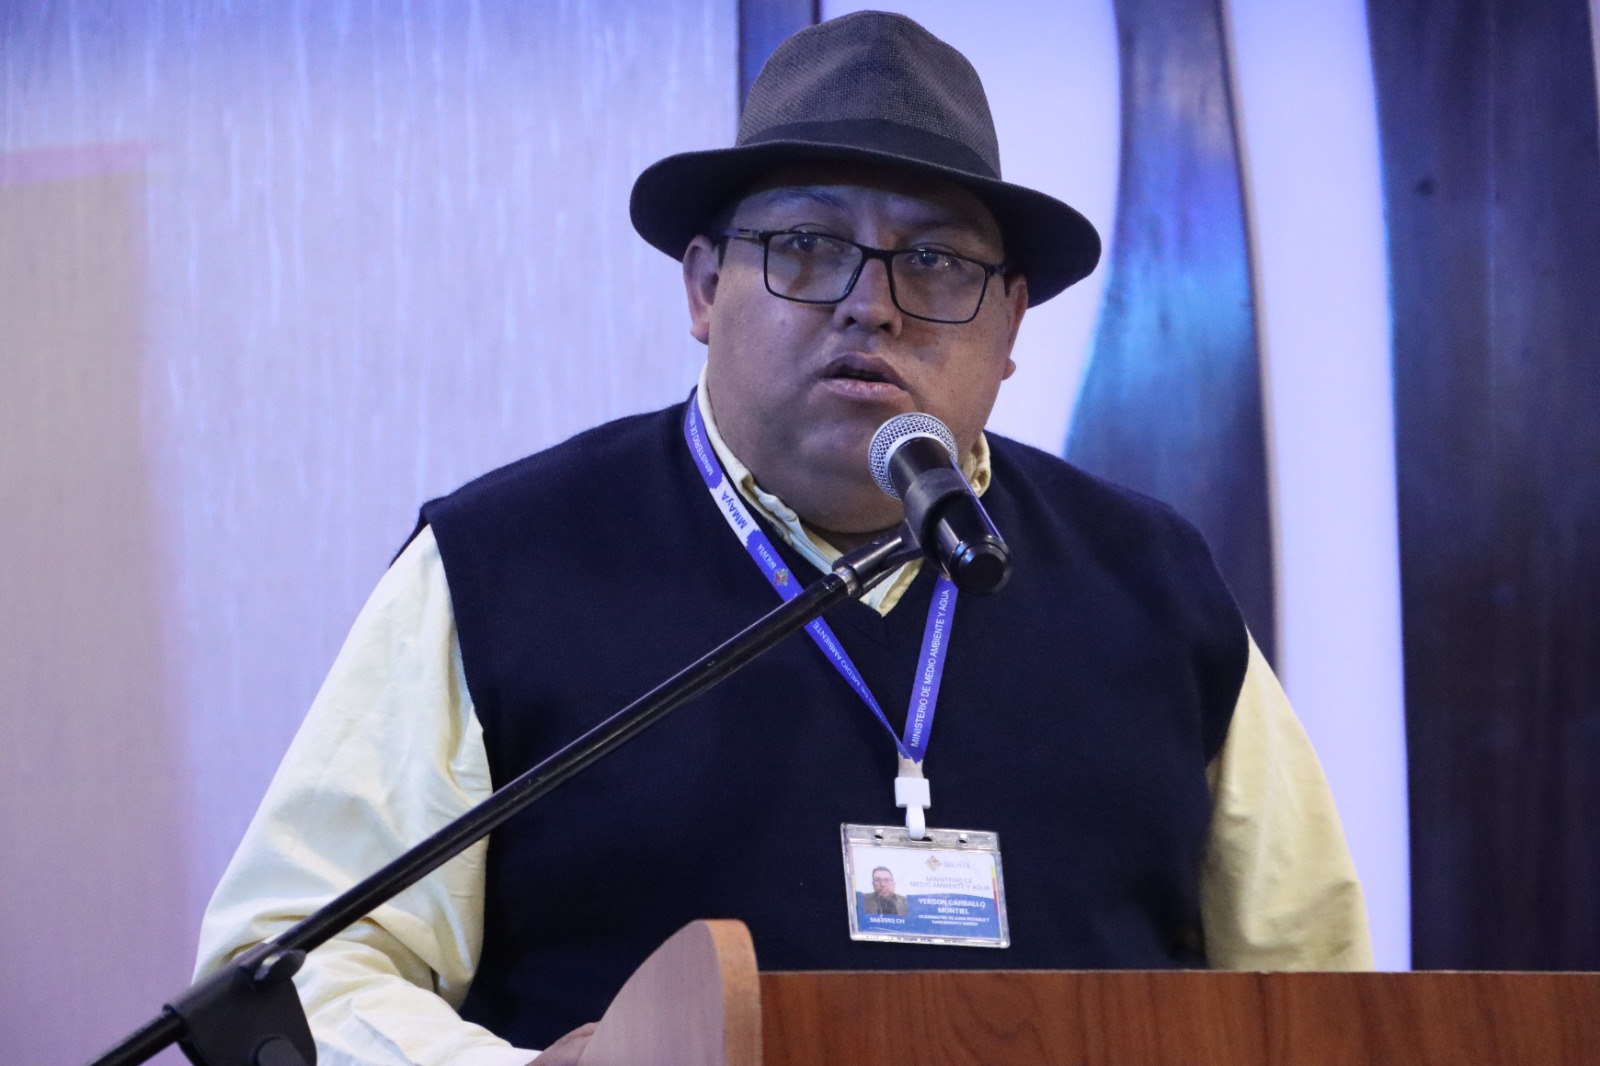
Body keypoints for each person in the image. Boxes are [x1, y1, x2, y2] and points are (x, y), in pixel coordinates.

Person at [196, 12, 1372, 1066]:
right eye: (807, 245)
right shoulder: (500, 563)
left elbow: (1322, 991)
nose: (872, 302)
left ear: (1011, 324)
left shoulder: (1152, 582)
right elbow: (291, 969)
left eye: (936, 261)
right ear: (705, 287)